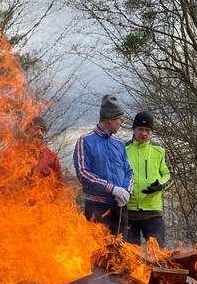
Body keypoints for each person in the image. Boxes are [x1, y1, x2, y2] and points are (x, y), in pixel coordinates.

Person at [73, 95, 133, 235]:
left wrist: (125, 192)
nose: (121, 123)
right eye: (120, 119)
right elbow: (83, 173)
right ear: (110, 119)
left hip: (120, 208)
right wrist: (112, 189)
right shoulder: (85, 141)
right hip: (97, 209)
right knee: (99, 253)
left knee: (123, 254)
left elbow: (129, 171)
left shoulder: (119, 144)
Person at [125, 111, 171, 246]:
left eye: (147, 130)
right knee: (130, 257)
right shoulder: (123, 149)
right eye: (140, 129)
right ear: (133, 129)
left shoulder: (160, 150)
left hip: (153, 212)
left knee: (158, 254)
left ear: (151, 132)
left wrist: (160, 185)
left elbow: (169, 175)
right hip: (128, 211)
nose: (143, 133)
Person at [30, 116, 63, 182]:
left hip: (42, 191)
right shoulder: (14, 153)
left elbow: (59, 182)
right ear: (28, 131)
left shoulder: (52, 156)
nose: (40, 133)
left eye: (42, 130)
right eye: (36, 129)